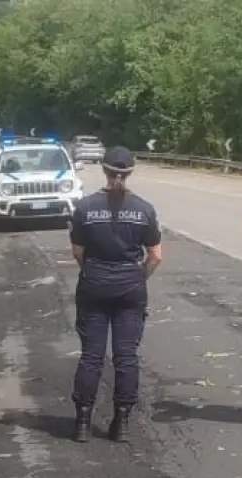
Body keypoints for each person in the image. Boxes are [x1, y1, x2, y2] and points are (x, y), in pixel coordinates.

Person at [67, 146, 163, 443]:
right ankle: (121, 422)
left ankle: (82, 422)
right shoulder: (145, 209)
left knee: (91, 356)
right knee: (126, 356)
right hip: (130, 287)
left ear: (104, 170)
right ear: (130, 172)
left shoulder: (84, 208)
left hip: (94, 283)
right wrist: (137, 277)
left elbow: (78, 252)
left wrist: (94, 273)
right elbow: (156, 256)